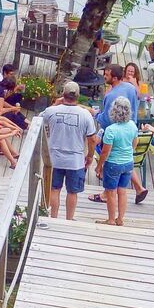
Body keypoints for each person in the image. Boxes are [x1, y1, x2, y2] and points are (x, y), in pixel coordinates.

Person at [41, 81, 98, 220]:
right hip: (76, 160)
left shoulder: (51, 111)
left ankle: (53, 217)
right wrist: (90, 156)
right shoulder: (85, 114)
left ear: (63, 94)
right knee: (72, 192)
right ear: (78, 96)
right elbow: (92, 139)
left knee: (54, 189)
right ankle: (69, 219)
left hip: (54, 158)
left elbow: (37, 120)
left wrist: (55, 104)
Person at [96, 97, 138, 227]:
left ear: (113, 111)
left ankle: (110, 219)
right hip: (128, 163)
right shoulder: (132, 125)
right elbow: (134, 144)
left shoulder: (111, 129)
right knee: (122, 191)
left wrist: (99, 166)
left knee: (111, 192)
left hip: (113, 164)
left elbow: (105, 152)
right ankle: (120, 219)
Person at [95, 64, 138, 131]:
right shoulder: (131, 88)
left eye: (107, 75)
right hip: (131, 130)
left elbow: (106, 120)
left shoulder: (111, 96)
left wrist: (95, 114)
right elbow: (134, 110)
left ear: (115, 78)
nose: (104, 76)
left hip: (114, 134)